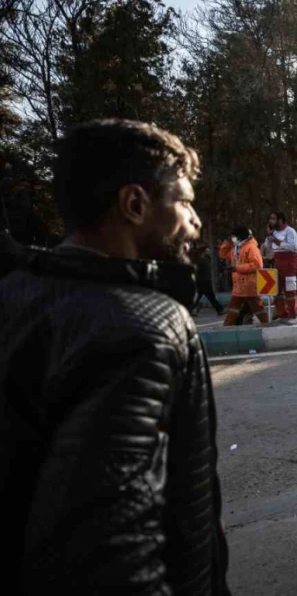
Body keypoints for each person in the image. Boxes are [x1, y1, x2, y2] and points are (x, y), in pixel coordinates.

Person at [0, 119, 229, 592]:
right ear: (134, 204)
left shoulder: (15, 293)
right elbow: (112, 548)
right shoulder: (146, 328)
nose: (196, 221)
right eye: (184, 201)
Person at [221, 225, 270, 326]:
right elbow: (223, 254)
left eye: (233, 236)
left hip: (249, 286)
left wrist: (237, 268)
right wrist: (227, 241)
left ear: (240, 236)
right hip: (239, 286)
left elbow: (257, 265)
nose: (232, 238)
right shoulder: (236, 248)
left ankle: (267, 325)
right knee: (232, 309)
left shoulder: (251, 248)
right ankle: (226, 328)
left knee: (258, 309)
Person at [266, 211, 297, 322]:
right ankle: (282, 314)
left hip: (289, 263)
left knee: (290, 290)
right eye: (270, 218)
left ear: (280, 220)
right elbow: (269, 249)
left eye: (273, 218)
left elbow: (293, 247)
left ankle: (292, 315)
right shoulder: (273, 233)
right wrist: (270, 236)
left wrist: (277, 241)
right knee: (277, 290)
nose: (271, 221)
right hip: (277, 262)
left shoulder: (290, 231)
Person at [192, 245, 225, 316]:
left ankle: (189, 310)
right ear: (203, 252)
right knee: (211, 297)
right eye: (207, 251)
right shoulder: (202, 260)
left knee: (198, 297)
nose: (209, 252)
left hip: (202, 281)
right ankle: (220, 310)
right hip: (203, 282)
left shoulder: (203, 259)